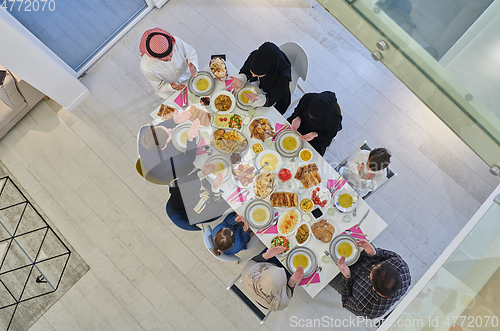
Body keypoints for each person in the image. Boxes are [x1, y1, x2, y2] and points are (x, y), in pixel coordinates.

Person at [138, 116, 229, 225]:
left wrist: (173, 121)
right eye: (168, 133)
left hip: (159, 171)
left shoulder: (144, 132)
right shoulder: (199, 207)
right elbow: (189, 159)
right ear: (163, 148)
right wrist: (215, 188)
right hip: (215, 203)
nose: (170, 129)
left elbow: (190, 181)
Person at [332, 239, 411, 319]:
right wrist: (375, 253)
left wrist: (347, 277)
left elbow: (346, 301)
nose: (373, 266)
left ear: (373, 287)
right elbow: (391, 256)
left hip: (348, 281)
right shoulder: (401, 267)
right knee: (349, 237)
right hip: (368, 258)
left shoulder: (365, 308)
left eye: (372, 271)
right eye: (378, 265)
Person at [229, 42, 292, 114]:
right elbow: (246, 70)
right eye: (252, 72)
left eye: (258, 75)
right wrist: (241, 79)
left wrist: (257, 98)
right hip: (261, 85)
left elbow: (271, 99)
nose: (253, 76)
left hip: (278, 98)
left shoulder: (282, 78)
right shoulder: (256, 57)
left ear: (269, 71)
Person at [140, 27, 198, 99]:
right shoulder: (146, 67)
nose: (170, 59)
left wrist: (193, 64)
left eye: (171, 55)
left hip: (191, 76)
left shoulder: (175, 41)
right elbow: (159, 88)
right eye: (165, 60)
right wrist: (171, 87)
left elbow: (191, 54)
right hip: (175, 91)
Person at [242, 246, 304, 311]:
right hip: (267, 303)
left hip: (259, 276)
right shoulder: (280, 303)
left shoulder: (247, 271)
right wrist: (292, 282)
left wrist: (266, 255)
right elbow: (288, 293)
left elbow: (254, 261)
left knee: (272, 248)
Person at [288, 92, 342, 156]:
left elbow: (328, 136)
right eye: (309, 114)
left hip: (317, 137)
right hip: (300, 123)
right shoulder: (308, 98)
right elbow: (299, 109)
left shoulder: (334, 120)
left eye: (313, 117)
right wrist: (298, 117)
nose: (310, 117)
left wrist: (315, 134)